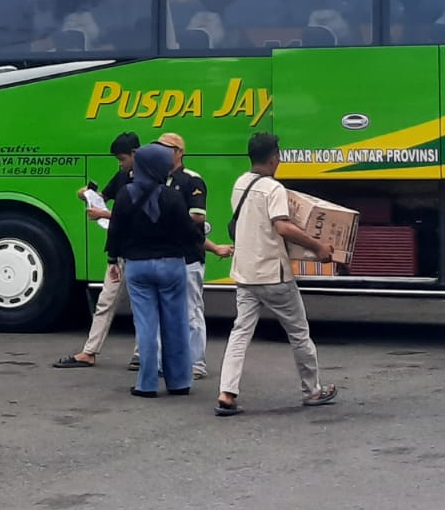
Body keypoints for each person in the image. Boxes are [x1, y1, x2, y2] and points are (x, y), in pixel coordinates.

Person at [215, 132, 339, 417]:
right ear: (274, 158)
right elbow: (282, 227)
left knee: (240, 332)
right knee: (299, 332)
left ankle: (226, 392)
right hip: (274, 275)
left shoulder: (239, 184)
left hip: (245, 274)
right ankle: (312, 390)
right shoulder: (274, 189)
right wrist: (318, 247)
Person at [105, 143, 201, 398]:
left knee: (146, 325)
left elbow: (115, 230)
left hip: (138, 267)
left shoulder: (125, 195)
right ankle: (179, 382)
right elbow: (188, 233)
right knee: (176, 323)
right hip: (171, 266)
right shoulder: (173, 197)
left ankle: (146, 384)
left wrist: (113, 260)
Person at [54, 132, 141, 370]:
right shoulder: (123, 175)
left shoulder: (147, 180)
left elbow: (137, 216)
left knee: (141, 305)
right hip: (118, 251)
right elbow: (104, 196)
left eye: (122, 159)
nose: (120, 164)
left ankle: (141, 353)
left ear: (135, 154)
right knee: (105, 301)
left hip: (138, 253)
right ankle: (90, 351)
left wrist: (103, 214)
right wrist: (88, 196)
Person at [154, 133, 233, 381]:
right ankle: (163, 362)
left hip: (188, 257)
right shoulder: (156, 179)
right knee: (162, 311)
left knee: (191, 310)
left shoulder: (191, 180)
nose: (161, 153)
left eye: (166, 149)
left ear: (179, 152)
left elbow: (198, 215)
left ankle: (196, 363)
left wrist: (165, 218)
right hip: (162, 255)